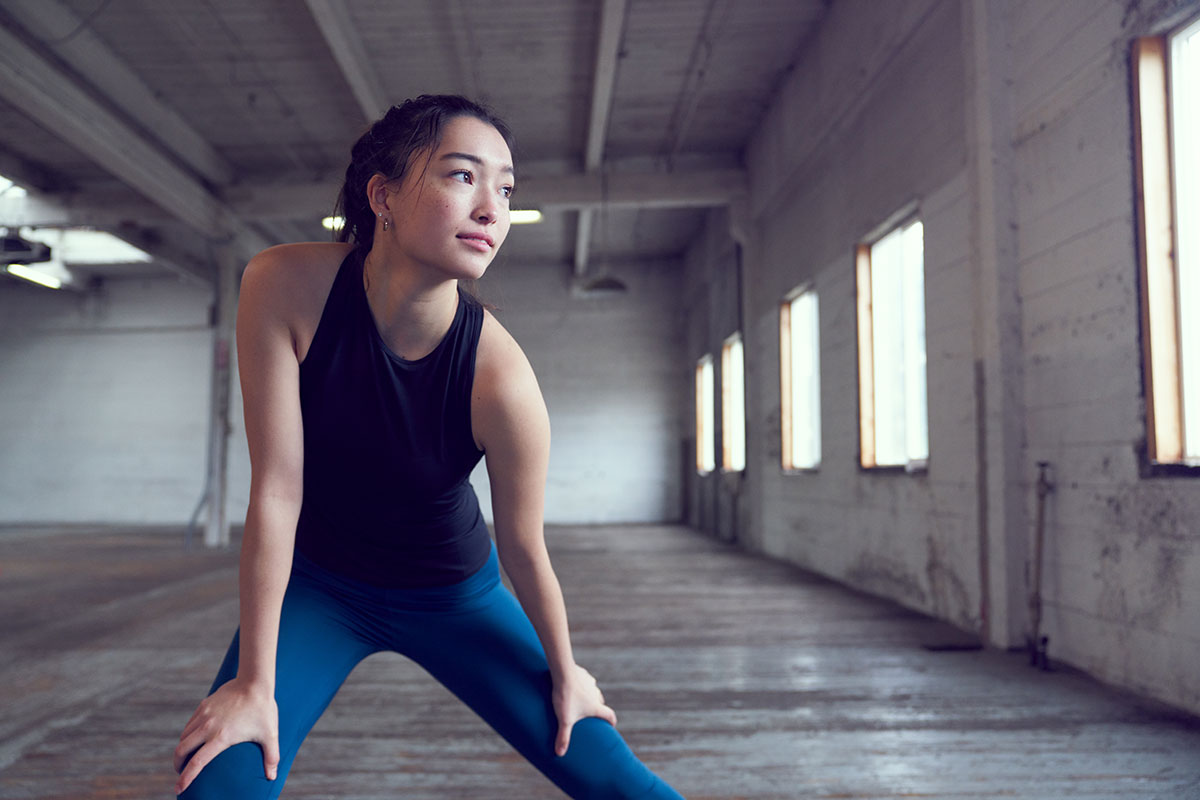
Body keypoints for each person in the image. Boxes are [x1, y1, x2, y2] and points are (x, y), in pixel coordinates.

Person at [172, 95, 685, 799]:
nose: (491, 210)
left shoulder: (501, 380)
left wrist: (567, 672)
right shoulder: (283, 286)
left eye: (505, 189)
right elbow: (276, 491)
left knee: (617, 779)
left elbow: (525, 546)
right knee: (217, 780)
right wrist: (254, 685)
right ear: (382, 195)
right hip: (318, 587)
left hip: (454, 593)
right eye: (462, 177)